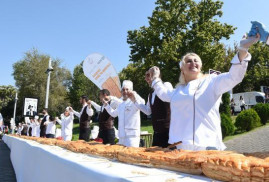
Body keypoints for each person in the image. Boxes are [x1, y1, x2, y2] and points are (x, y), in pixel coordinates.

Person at [148, 34, 260, 151]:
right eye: (188, 61)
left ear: (200, 66)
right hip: (180, 148)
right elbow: (163, 93)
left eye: (196, 60)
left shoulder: (211, 81)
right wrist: (155, 78)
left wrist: (243, 49)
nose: (192, 62)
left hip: (207, 146)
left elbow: (234, 76)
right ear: (182, 68)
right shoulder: (178, 91)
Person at [128, 71, 173, 148]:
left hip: (168, 132)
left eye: (148, 75)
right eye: (145, 77)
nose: (146, 79)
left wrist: (157, 80)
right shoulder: (150, 95)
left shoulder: (166, 85)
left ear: (156, 75)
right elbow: (148, 111)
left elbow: (167, 96)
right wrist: (134, 101)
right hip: (156, 133)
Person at [104, 80, 145, 147]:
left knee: (131, 155)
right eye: (123, 90)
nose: (125, 91)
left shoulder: (134, 100)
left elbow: (143, 102)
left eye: (127, 89)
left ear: (131, 91)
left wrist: (134, 94)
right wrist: (106, 106)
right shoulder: (121, 104)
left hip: (132, 136)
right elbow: (114, 114)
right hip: (122, 136)